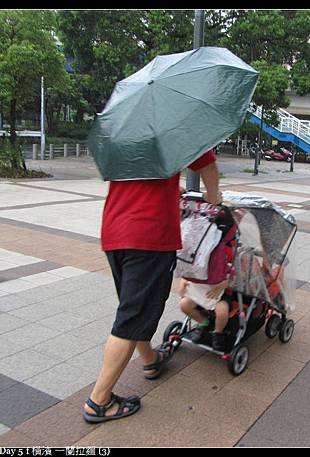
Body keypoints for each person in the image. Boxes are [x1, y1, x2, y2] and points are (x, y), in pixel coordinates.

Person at [83, 149, 222, 424]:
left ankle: (150, 360)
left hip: (114, 230)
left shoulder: (126, 127)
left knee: (133, 307)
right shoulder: (176, 123)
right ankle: (98, 401)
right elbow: (208, 167)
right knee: (131, 316)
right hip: (149, 235)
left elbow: (138, 178)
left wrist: (170, 187)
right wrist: (214, 198)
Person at [178, 277, 231, 352]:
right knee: (184, 304)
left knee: (222, 311)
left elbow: (232, 275)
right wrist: (183, 280)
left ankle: (218, 332)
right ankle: (203, 322)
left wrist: (223, 284)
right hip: (199, 293)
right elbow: (187, 271)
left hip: (220, 295)